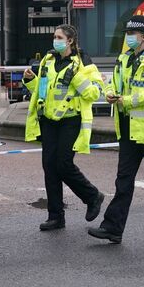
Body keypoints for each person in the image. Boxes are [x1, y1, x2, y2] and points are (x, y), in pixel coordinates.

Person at [88, 13, 144, 244]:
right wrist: (109, 93)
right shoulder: (123, 59)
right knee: (123, 181)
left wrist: (126, 100)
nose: (127, 38)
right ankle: (113, 228)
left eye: (131, 34)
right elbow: (113, 82)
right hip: (127, 128)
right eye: (127, 33)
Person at [22, 24, 106, 231]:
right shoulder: (48, 60)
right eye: (54, 37)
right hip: (49, 120)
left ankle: (92, 196)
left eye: (59, 37)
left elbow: (95, 93)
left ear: (70, 41)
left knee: (64, 165)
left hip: (70, 119)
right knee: (50, 167)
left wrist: (77, 77)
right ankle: (55, 216)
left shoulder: (83, 62)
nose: (55, 40)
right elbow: (42, 90)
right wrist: (30, 81)